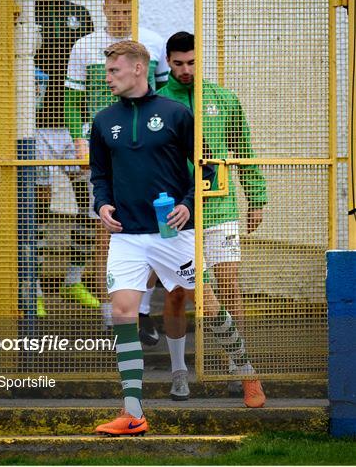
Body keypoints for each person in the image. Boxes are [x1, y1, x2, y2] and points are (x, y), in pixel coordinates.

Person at [90, 40, 264, 437]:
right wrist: (102, 204)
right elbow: (99, 175)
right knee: (122, 312)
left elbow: (202, 168)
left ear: (138, 69)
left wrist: (187, 203)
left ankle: (246, 369)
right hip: (128, 236)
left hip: (173, 233)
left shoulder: (175, 114)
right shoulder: (103, 121)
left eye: (114, 70)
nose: (108, 77)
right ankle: (133, 412)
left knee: (207, 302)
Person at [154, 31, 267, 403]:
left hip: (220, 207)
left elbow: (243, 149)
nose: (185, 70)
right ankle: (178, 372)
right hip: (175, 213)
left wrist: (257, 198)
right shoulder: (157, 103)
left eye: (191, 63)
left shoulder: (223, 98)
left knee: (230, 285)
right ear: (167, 62)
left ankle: (238, 365)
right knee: (178, 293)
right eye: (178, 64)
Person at [66, 0, 168, 334]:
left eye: (127, 10)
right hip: (105, 151)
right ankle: (110, 318)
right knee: (105, 231)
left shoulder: (152, 42)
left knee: (154, 228)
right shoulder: (84, 46)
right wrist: (80, 141)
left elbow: (164, 92)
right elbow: (71, 100)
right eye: (115, 9)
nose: (121, 16)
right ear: (105, 8)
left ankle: (140, 311)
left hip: (147, 151)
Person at [23, 0, 98, 315]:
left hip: (74, 123)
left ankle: (74, 279)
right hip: (35, 125)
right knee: (37, 205)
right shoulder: (19, 13)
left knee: (91, 199)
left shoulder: (78, 14)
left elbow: (88, 64)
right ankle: (34, 289)